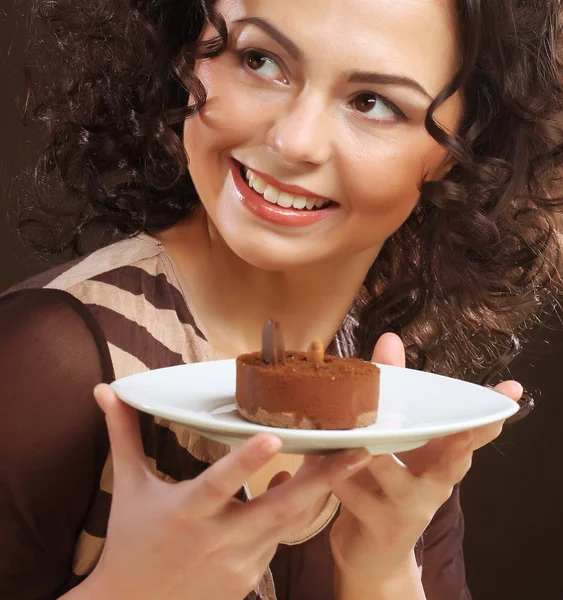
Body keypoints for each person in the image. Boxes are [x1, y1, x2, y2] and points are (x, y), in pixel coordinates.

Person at [1, 0, 561, 598]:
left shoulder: (399, 404)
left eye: (372, 102)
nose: (294, 141)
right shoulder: (54, 361)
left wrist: (379, 571)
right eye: (260, 59)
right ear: (188, 50)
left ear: (462, 150)